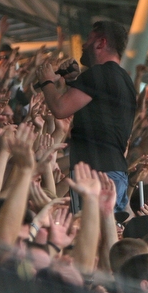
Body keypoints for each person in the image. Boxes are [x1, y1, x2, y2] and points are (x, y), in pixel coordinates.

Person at [38, 21, 135, 212]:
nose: (83, 45)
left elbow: (60, 108)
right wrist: (73, 81)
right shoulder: (125, 80)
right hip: (115, 171)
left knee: (87, 234)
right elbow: (98, 111)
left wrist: (46, 81)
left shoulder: (98, 74)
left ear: (101, 43)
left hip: (95, 173)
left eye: (88, 39)